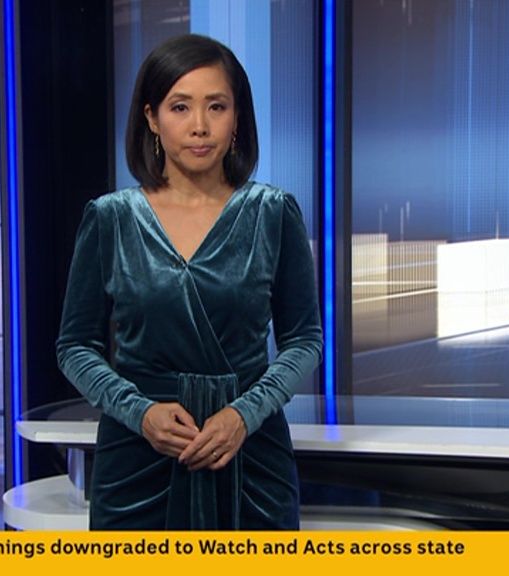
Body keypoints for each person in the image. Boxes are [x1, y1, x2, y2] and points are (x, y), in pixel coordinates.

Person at [56, 34, 322, 530]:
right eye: (180, 107)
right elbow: (74, 347)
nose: (200, 125)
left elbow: (305, 340)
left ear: (237, 118)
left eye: (216, 106)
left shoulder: (272, 213)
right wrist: (140, 413)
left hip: (249, 457)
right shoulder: (111, 218)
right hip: (138, 460)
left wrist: (244, 415)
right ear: (152, 118)